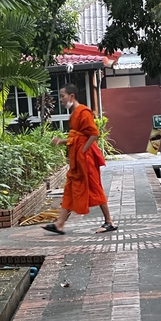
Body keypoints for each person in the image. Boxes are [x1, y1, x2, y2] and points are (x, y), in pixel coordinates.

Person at [42, 84, 117, 235]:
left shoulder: (83, 111)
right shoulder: (75, 112)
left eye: (62, 96)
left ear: (72, 96)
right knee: (70, 187)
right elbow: (77, 136)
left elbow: (94, 134)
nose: (61, 100)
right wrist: (62, 141)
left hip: (86, 158)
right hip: (78, 157)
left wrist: (83, 150)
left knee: (94, 187)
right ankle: (60, 224)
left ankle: (109, 222)